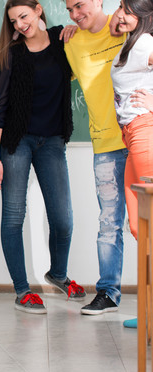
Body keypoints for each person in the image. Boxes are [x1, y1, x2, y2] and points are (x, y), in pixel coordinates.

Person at [0, 0, 86, 314]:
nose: (19, 24)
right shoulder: (12, 55)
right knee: (14, 218)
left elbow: (92, 47)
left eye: (24, 16)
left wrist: (76, 28)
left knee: (63, 220)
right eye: (14, 20)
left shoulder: (62, 40)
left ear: (39, 10)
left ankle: (57, 274)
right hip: (17, 143)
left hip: (53, 142)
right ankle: (22, 291)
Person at [64, 0, 129, 316]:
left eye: (79, 5)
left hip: (143, 139)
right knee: (109, 223)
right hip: (105, 145)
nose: (75, 14)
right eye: (69, 10)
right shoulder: (72, 43)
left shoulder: (128, 28)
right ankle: (109, 293)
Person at [110, 0, 153, 328]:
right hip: (131, 134)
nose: (119, 14)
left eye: (126, 9)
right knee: (140, 225)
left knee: (149, 224)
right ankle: (149, 312)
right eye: (120, 8)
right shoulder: (132, 42)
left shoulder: (146, 43)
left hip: (145, 132)